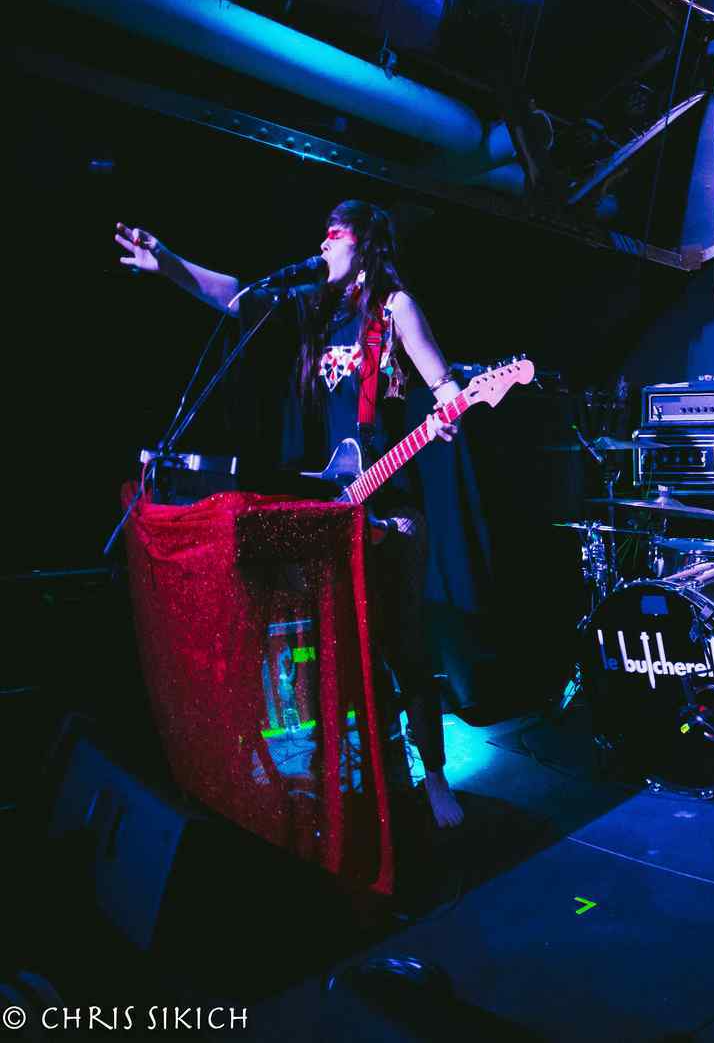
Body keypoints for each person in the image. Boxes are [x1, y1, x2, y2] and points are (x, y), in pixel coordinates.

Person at [116, 202, 468, 829]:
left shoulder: (396, 308)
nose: (323, 244)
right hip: (333, 502)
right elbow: (237, 298)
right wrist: (167, 264)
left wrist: (448, 407)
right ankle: (372, 772)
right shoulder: (314, 310)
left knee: (405, 643)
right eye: (323, 234)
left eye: (336, 235)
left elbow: (443, 385)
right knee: (344, 646)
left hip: (391, 508)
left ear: (366, 246)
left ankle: (436, 776)